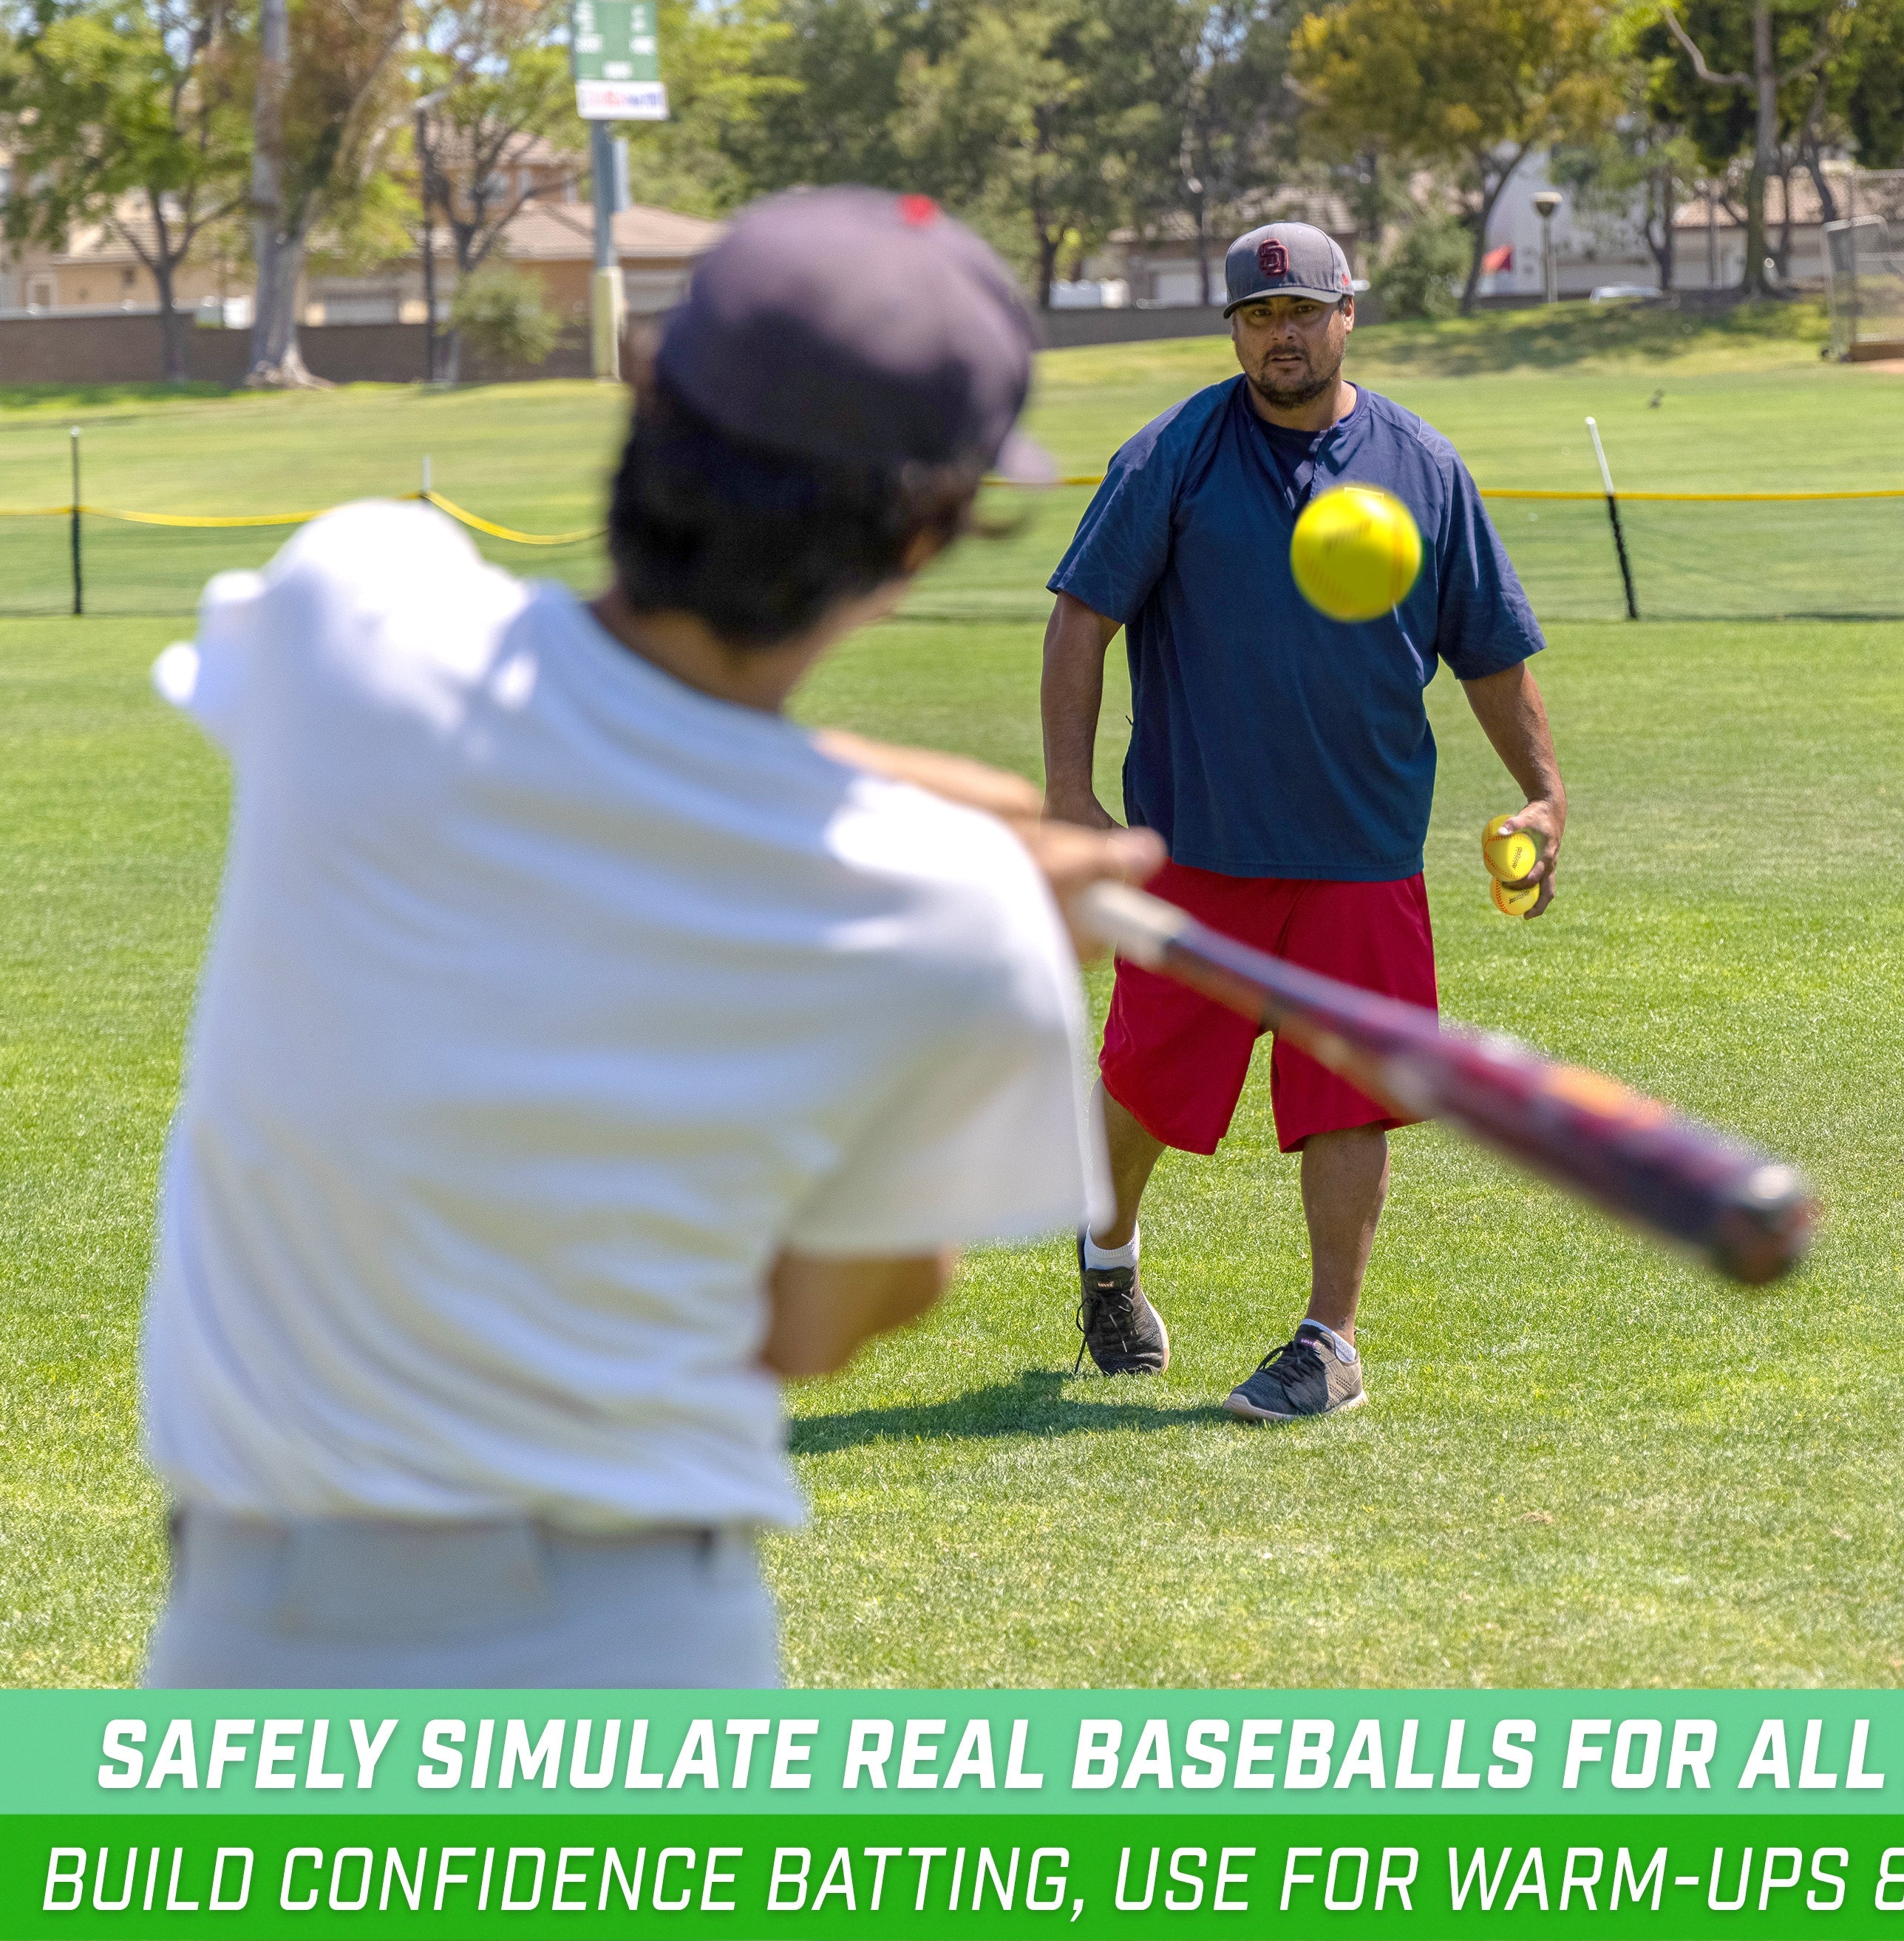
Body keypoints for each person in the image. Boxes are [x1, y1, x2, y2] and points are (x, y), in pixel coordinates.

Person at [137, 186, 1160, 1689]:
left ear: (647, 391)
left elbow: (612, 727)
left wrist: (943, 839)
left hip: (252, 1648)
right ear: (929, 532)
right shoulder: (954, 928)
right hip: (638, 1661)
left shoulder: (354, 625)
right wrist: (976, 875)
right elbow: (817, 1328)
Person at [1041, 220, 1565, 1423]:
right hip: (1201, 842)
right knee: (1148, 1083)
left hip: (1361, 845)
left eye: (1301, 313)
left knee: (1348, 1089)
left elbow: (1489, 647)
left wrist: (1541, 788)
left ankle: (1330, 1341)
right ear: (1234, 330)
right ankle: (1108, 1260)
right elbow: (1081, 620)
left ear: (1347, 314)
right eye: (1257, 318)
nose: (1280, 336)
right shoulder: (1172, 452)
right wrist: (1072, 799)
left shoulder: (1424, 467)